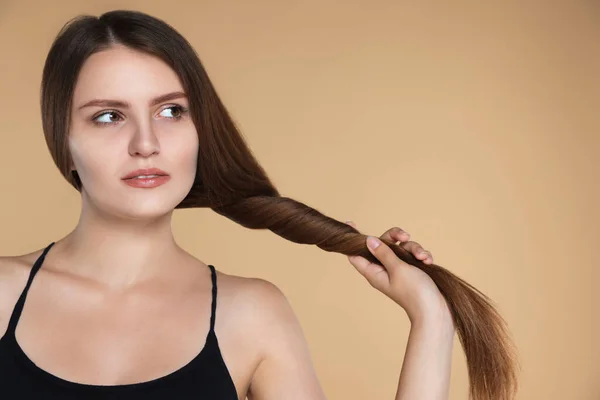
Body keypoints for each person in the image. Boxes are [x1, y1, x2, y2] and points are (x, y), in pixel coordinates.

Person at [0, 10, 517, 400]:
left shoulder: (252, 316)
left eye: (171, 111)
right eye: (109, 116)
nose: (146, 143)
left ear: (200, 129)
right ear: (62, 139)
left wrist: (431, 319)